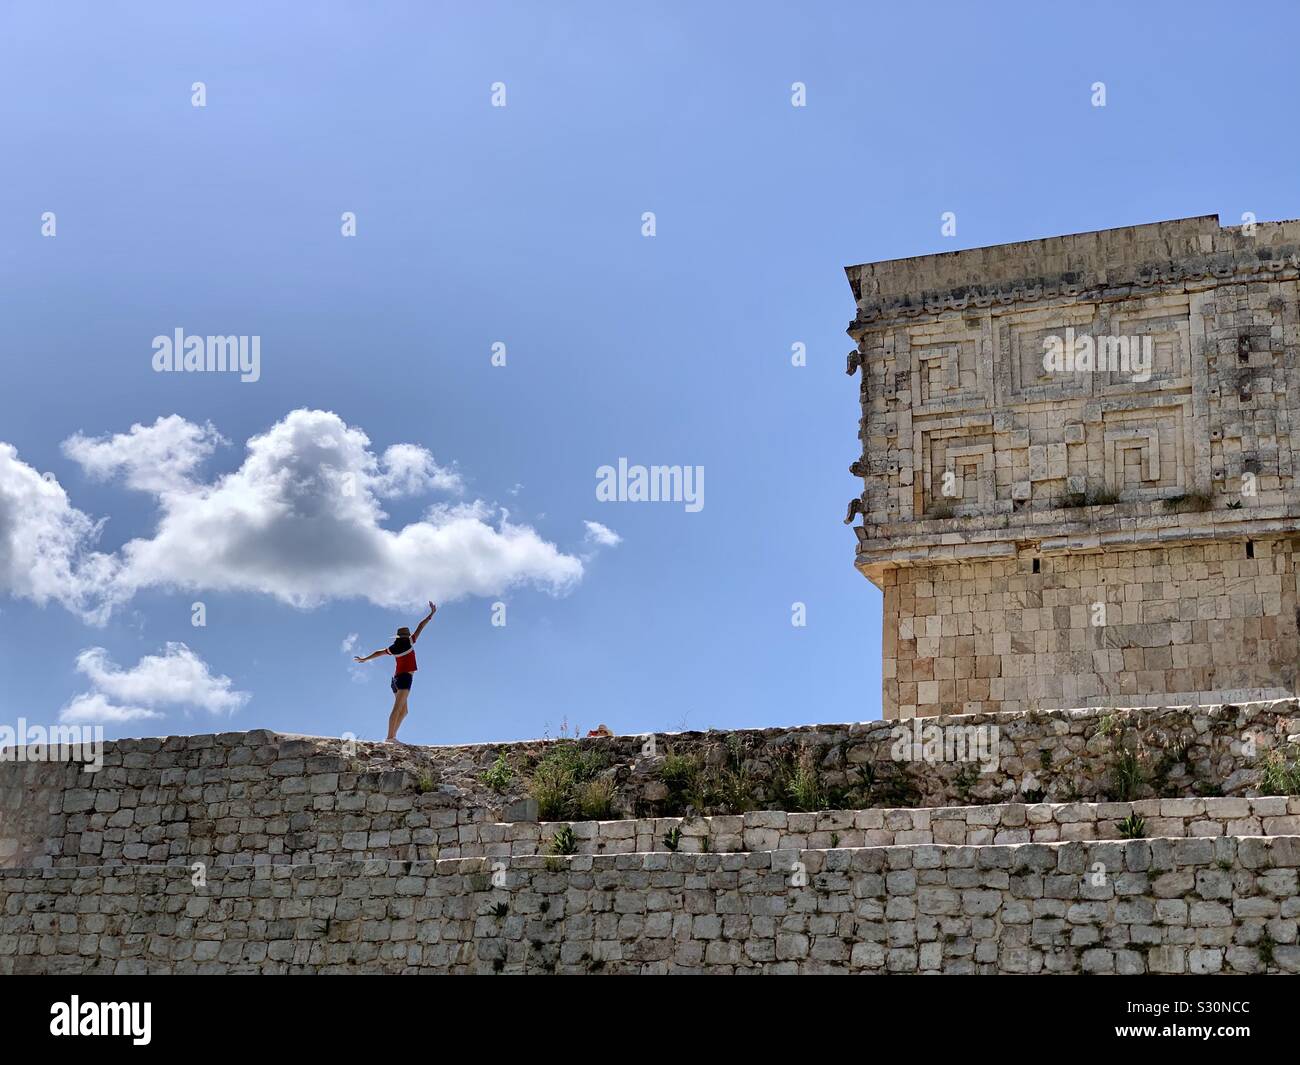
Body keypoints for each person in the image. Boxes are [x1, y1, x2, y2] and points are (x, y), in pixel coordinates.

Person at [354, 602, 437, 743]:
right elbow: (421, 626)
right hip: (404, 678)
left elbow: (378, 652)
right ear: (406, 636)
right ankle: (390, 738)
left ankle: (392, 737)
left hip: (395, 680)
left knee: (404, 711)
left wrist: (365, 659)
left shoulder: (394, 648)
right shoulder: (410, 642)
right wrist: (431, 613)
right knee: (398, 708)